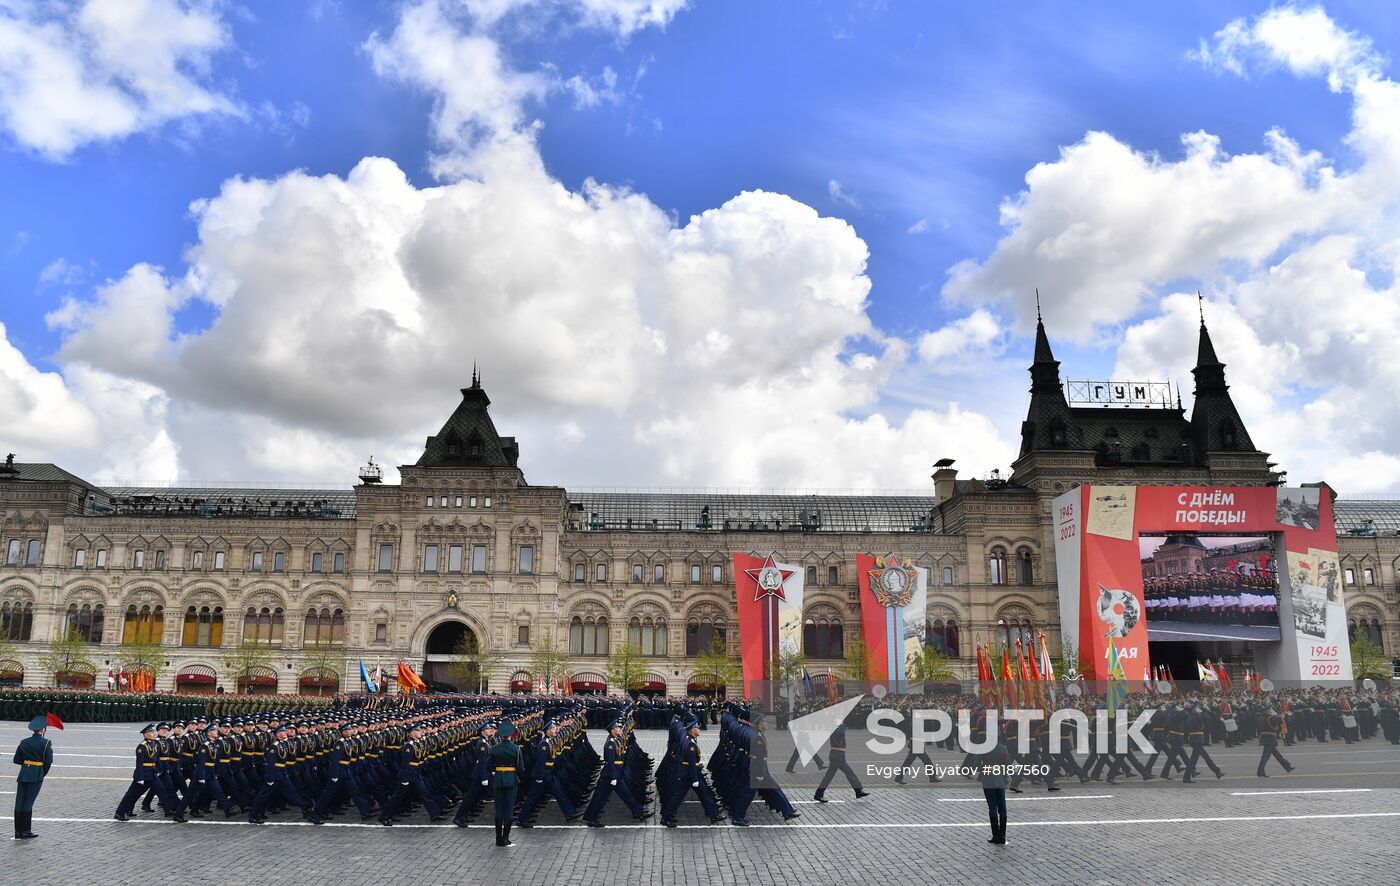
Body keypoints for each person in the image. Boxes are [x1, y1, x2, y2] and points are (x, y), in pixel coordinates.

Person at [12, 715, 53, 839]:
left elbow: (16, 759)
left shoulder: (24, 742)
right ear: (43, 730)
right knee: (28, 803)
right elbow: (48, 762)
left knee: (19, 802)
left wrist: (27, 764)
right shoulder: (46, 743)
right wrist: (41, 772)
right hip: (36, 774)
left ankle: (18, 831)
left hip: (23, 773)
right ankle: (26, 830)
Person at [813, 723, 869, 802]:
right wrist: (844, 724)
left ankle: (818, 794)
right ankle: (858, 790)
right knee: (849, 773)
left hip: (838, 755)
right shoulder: (837, 728)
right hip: (837, 756)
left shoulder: (836, 727)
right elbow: (841, 733)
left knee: (829, 777)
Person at [491, 720, 523, 847]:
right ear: (511, 735)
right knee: (508, 809)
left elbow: (489, 765)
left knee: (498, 809)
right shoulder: (516, 749)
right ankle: (506, 838)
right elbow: (521, 768)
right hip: (511, 779)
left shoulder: (494, 748)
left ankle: (498, 839)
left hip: (498, 778)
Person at [978, 731, 1010, 846]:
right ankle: (1003, 836)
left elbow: (978, 764)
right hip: (1000, 779)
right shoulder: (1003, 748)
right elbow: (1007, 764)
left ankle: (995, 835)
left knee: (992, 807)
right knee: (1002, 807)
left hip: (988, 780)